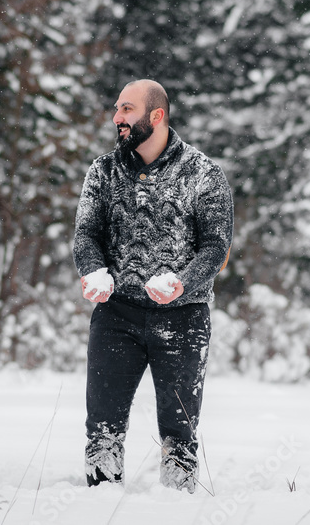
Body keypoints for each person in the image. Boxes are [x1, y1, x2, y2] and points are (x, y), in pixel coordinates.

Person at [73, 79, 234, 493]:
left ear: (156, 116)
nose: (117, 118)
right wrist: (93, 271)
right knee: (102, 428)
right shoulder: (103, 171)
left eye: (126, 110)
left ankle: (177, 510)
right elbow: (85, 234)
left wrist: (182, 282)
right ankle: (97, 507)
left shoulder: (204, 173)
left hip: (183, 319)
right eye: (117, 109)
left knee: (180, 432)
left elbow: (217, 248)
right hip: (116, 316)